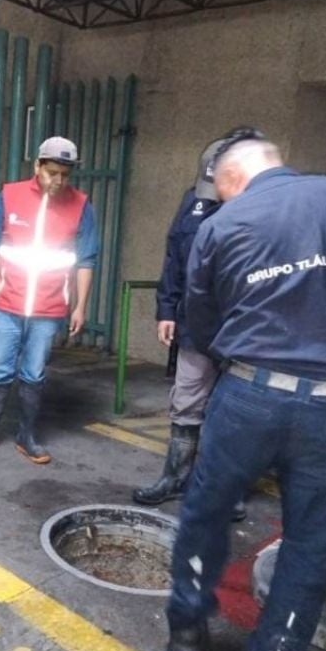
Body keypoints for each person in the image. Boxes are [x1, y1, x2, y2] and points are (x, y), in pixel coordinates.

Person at [164, 127, 326, 651]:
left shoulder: (219, 226)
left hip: (249, 395)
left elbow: (204, 320)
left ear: (230, 180)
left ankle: (188, 634)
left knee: (207, 513)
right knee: (313, 542)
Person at [0, 136, 99, 465]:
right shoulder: (10, 195)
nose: (58, 181)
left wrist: (80, 305)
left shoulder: (81, 205)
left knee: (34, 374)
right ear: (37, 166)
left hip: (49, 308)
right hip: (8, 303)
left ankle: (27, 436)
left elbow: (86, 260)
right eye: (52, 172)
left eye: (65, 175)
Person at [134, 138, 246, 521]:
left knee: (233, 413)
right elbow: (174, 258)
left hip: (243, 333)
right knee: (186, 403)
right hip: (196, 327)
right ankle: (175, 478)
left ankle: (224, 492)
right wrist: (166, 310)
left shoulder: (263, 209)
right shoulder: (193, 202)